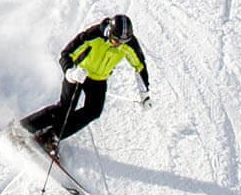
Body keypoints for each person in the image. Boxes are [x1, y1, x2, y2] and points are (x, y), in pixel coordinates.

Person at [17, 14, 150, 152]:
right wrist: (71, 72)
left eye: (123, 41)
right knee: (65, 108)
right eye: (116, 40)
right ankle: (22, 128)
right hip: (78, 73)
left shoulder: (129, 44)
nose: (119, 44)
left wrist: (144, 92)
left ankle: (52, 136)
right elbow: (66, 54)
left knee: (94, 111)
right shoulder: (94, 35)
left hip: (98, 79)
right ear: (109, 31)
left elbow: (140, 66)